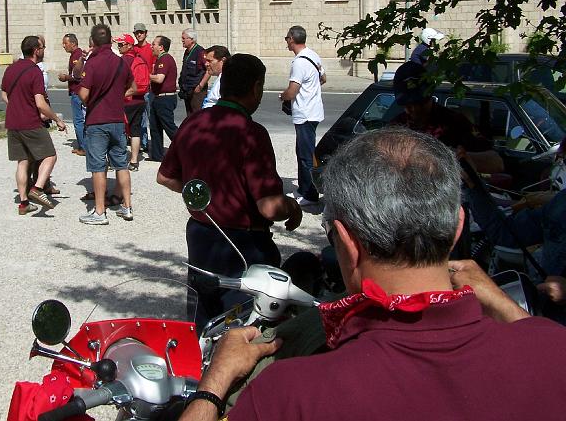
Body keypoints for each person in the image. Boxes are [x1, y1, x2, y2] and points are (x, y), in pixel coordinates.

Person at [180, 127, 566, 421]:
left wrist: (213, 386)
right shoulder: (550, 351)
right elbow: (542, 342)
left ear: (348, 245)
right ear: (457, 228)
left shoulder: (289, 393)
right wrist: (509, 310)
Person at [158, 54, 303, 328]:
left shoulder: (193, 122)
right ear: (256, 87)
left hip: (201, 235)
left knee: (203, 318)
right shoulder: (251, 133)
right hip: (243, 244)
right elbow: (269, 207)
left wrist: (203, 196)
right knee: (244, 324)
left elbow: (165, 177)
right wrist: (293, 207)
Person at [391, 61, 504, 173]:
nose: (413, 109)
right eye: (407, 105)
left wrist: (455, 157)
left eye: (419, 103)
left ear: (429, 95)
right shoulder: (396, 128)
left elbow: (497, 162)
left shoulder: (455, 122)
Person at [2, 36, 67, 215]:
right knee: (50, 156)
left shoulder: (11, 69)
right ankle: (37, 188)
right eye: (42, 47)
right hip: (30, 122)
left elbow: (4, 95)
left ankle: (23, 203)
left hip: (13, 122)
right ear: (36, 50)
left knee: (22, 162)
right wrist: (57, 119)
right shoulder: (34, 71)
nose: (44, 50)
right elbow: (40, 103)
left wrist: (17, 106)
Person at [78, 24, 134, 225]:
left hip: (97, 120)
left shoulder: (92, 63)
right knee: (121, 164)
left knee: (98, 166)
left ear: (93, 41)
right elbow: (133, 87)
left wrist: (90, 100)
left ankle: (100, 211)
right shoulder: (121, 62)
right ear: (110, 40)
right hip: (117, 119)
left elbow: (83, 94)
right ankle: (127, 206)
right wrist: (117, 97)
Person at [279, 25, 325, 208]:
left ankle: (311, 194)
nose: (286, 42)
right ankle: (304, 189)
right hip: (313, 111)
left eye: (286, 38)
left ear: (292, 39)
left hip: (305, 113)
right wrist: (311, 89)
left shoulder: (299, 62)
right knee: (303, 152)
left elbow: (292, 91)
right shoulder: (313, 55)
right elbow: (323, 78)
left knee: (305, 156)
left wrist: (282, 96)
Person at [115, 33, 149, 170]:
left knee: (120, 131)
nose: (118, 47)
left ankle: (119, 159)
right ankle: (134, 161)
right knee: (135, 131)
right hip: (139, 101)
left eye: (121, 44)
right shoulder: (139, 58)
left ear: (129, 45)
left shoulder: (122, 61)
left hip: (125, 101)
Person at [148, 35, 179, 162]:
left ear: (161, 47)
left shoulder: (165, 59)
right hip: (157, 97)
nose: (152, 46)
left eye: (154, 44)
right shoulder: (160, 59)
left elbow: (160, 78)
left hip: (165, 98)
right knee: (155, 127)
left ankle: (184, 148)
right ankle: (157, 156)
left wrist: (146, 75)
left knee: (169, 127)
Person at [57, 33, 86, 155]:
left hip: (77, 92)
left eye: (66, 43)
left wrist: (65, 77)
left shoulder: (77, 56)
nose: (64, 46)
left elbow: (78, 76)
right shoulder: (76, 54)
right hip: (79, 92)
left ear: (73, 43)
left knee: (79, 121)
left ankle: (83, 147)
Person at [132, 23, 154, 152]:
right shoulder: (133, 49)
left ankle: (152, 143)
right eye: (137, 33)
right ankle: (143, 142)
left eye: (141, 32)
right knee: (139, 118)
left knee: (150, 116)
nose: (139, 35)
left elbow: (154, 66)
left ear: (146, 33)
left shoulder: (151, 48)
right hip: (137, 88)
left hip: (148, 88)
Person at [178, 28, 208, 115]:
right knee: (190, 117)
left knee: (197, 116)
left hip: (197, 91)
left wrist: (200, 86)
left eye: (184, 38)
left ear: (192, 39)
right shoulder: (187, 52)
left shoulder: (200, 52)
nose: (182, 40)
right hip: (187, 91)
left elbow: (208, 70)